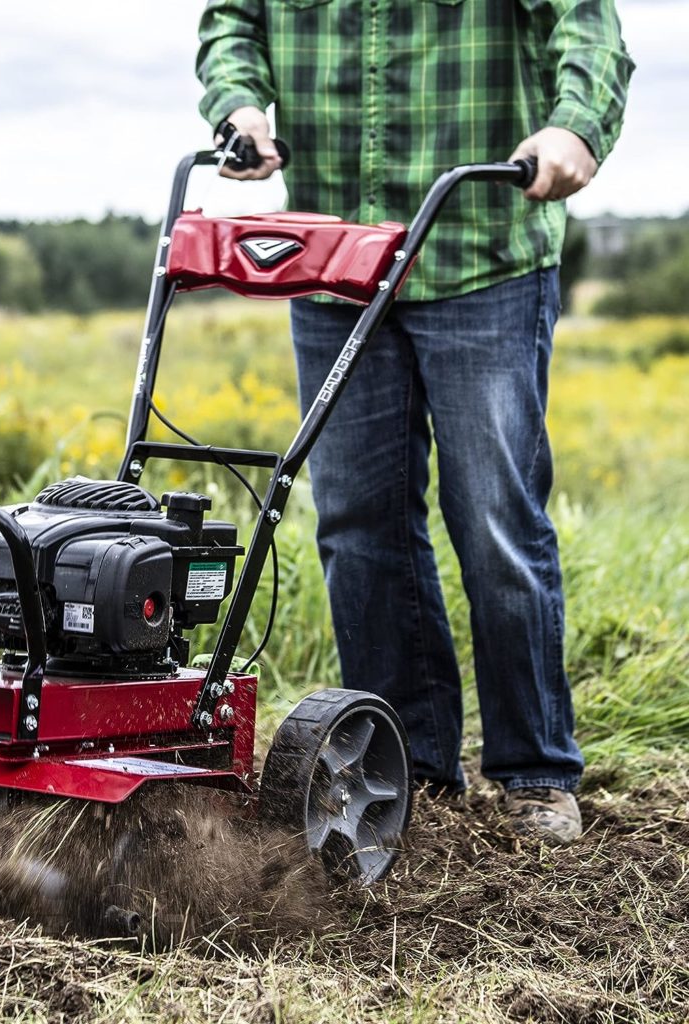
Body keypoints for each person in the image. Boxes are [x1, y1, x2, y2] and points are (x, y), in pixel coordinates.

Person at [196, 0, 633, 844]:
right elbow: (232, 20)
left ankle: (534, 770)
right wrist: (240, 105)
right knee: (359, 525)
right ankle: (410, 767)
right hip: (335, 258)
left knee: (494, 520)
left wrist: (574, 128)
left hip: (481, 251)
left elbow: (583, 20)